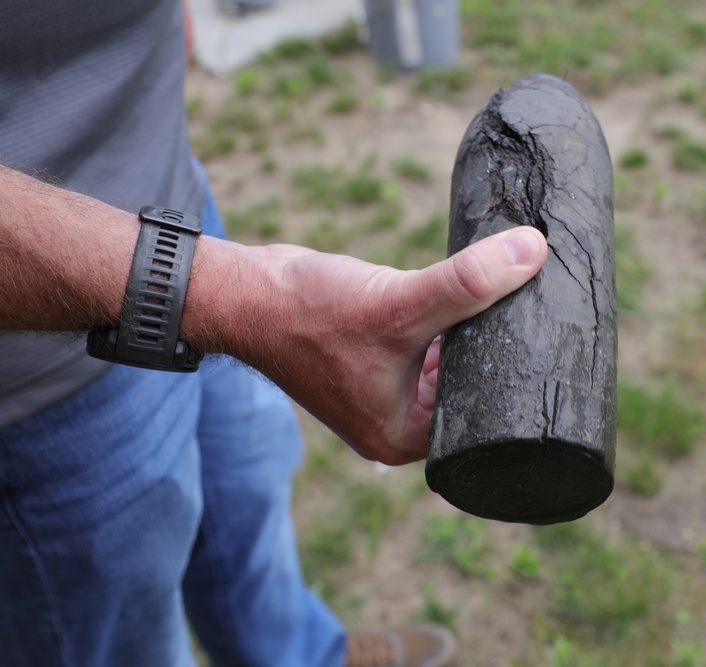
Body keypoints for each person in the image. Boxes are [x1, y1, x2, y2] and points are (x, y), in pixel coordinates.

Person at [0, 1, 547, 666]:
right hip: (34, 379)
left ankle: (303, 654)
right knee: (123, 632)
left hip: (171, 202)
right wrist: (247, 301)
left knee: (247, 483)